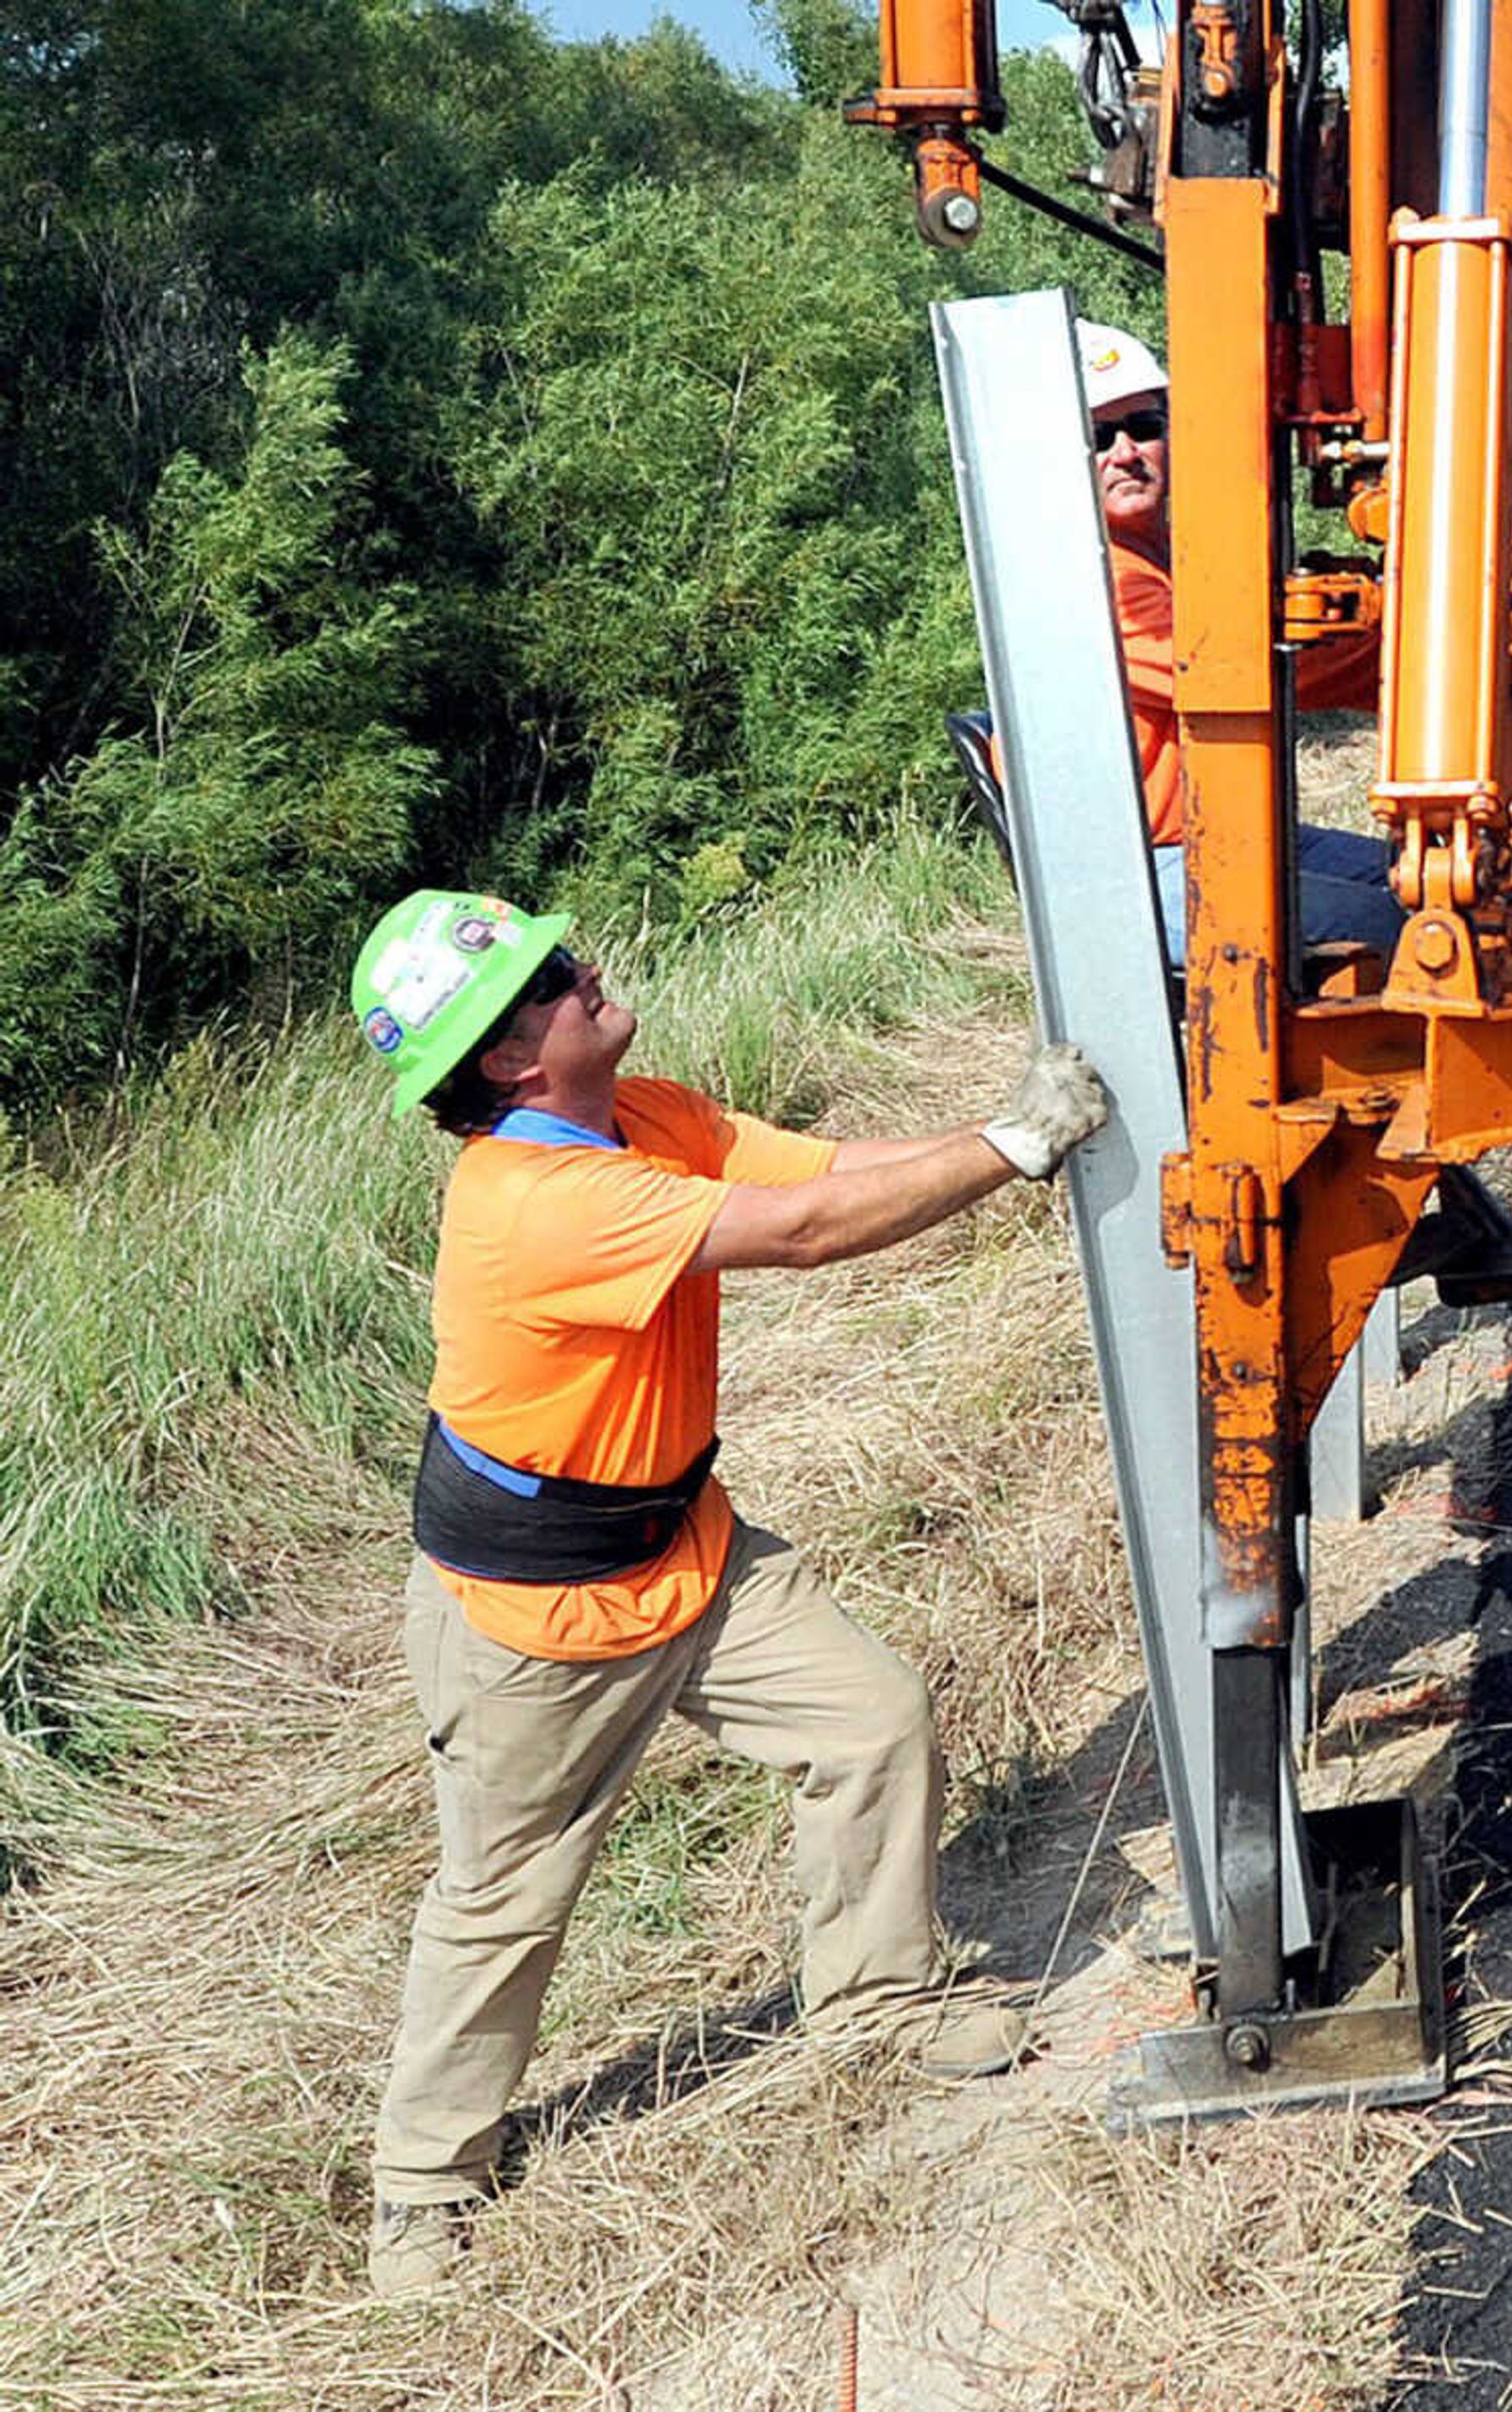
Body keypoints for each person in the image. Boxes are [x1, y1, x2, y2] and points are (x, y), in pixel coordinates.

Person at [346, 889, 1112, 2297]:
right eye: (556, 978)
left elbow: (823, 1170)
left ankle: (876, 2006)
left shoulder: (642, 1114)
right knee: (504, 1899)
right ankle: (422, 2188)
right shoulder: (541, 1203)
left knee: (873, 1720)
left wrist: (1002, 1138)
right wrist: (1011, 1146)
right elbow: (809, 1234)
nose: (591, 974)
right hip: (538, 1622)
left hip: (684, 1544)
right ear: (512, 1060)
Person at [1075, 321, 1403, 955]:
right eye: (1098, 436)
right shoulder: (1101, 580)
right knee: (1409, 929)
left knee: (1419, 887)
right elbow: (1235, 670)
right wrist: (1412, 650)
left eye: (1142, 427)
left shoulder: (1172, 559)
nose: (1124, 452)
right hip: (1147, 866)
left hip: (1219, 833)